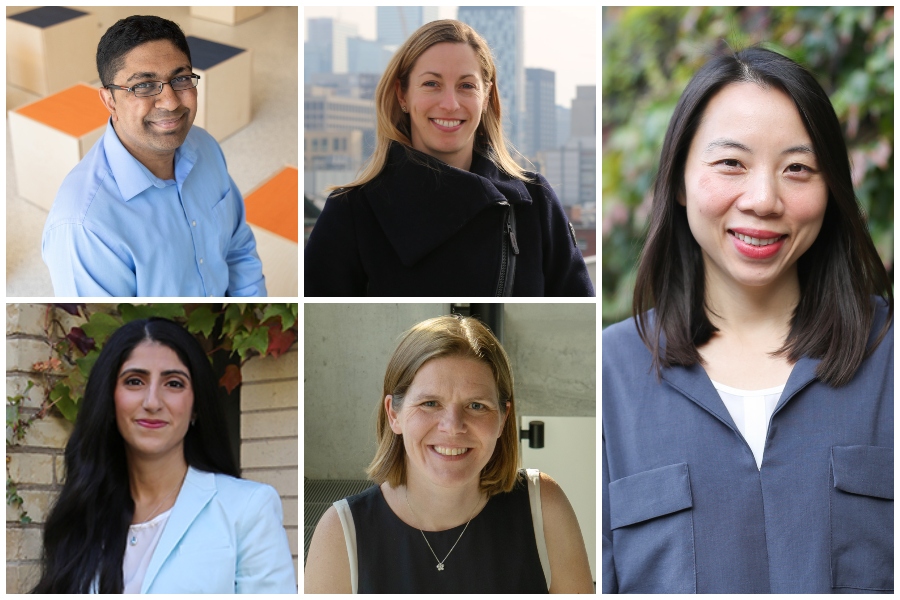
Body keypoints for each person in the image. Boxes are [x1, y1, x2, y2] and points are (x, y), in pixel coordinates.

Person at [602, 47, 893, 593]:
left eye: (798, 169)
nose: (763, 199)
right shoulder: (609, 374)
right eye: (731, 163)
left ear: (831, 189)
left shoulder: (889, 355)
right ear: (681, 181)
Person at [304, 20, 594, 297]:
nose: (450, 104)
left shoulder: (534, 203)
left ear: (487, 96)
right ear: (402, 94)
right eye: (431, 84)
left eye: (467, 86)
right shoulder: (351, 213)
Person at [305, 315, 593, 592]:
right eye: (430, 403)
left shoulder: (544, 506)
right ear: (394, 413)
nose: (453, 427)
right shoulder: (340, 534)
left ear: (503, 419)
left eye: (476, 405)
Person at [32, 317, 295, 593]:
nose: (152, 402)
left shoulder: (248, 509)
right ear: (109, 400)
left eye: (174, 384)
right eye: (134, 381)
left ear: (196, 406)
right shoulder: (84, 515)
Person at [41, 15, 266, 297]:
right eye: (144, 86)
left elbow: (238, 246)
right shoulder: (84, 226)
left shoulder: (204, 146)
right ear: (109, 100)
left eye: (181, 79)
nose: (171, 101)